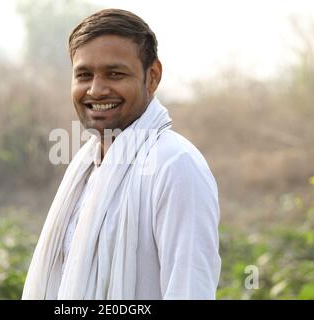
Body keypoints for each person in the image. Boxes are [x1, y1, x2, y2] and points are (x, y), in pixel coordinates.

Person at [22, 8, 221, 300]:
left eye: (115, 74)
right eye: (84, 75)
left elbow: (190, 290)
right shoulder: (84, 166)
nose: (96, 90)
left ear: (152, 76)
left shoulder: (175, 165)